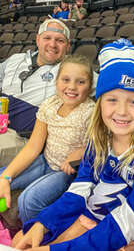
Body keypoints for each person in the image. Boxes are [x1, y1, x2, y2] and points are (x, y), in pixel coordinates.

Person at [12, 39, 134, 251]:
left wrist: (57, 247)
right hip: (86, 217)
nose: (122, 111)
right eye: (112, 100)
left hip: (118, 236)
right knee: (21, 240)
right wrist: (43, 223)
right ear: (99, 104)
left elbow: (127, 225)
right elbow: (79, 190)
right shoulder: (99, 141)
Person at [0, 54, 95, 224]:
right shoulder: (49, 105)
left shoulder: (91, 112)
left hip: (66, 172)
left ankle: (33, 235)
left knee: (28, 201)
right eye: (66, 80)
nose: (72, 87)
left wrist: (81, 152)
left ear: (90, 87)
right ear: (56, 82)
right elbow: (33, 147)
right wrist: (6, 177)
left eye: (81, 82)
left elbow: (99, 147)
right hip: (45, 161)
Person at [0, 18, 71, 166]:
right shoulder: (15, 59)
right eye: (47, 38)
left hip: (22, 138)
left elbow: (110, 84)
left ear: (68, 46)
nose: (52, 44)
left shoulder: (73, 70)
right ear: (38, 40)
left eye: (60, 40)